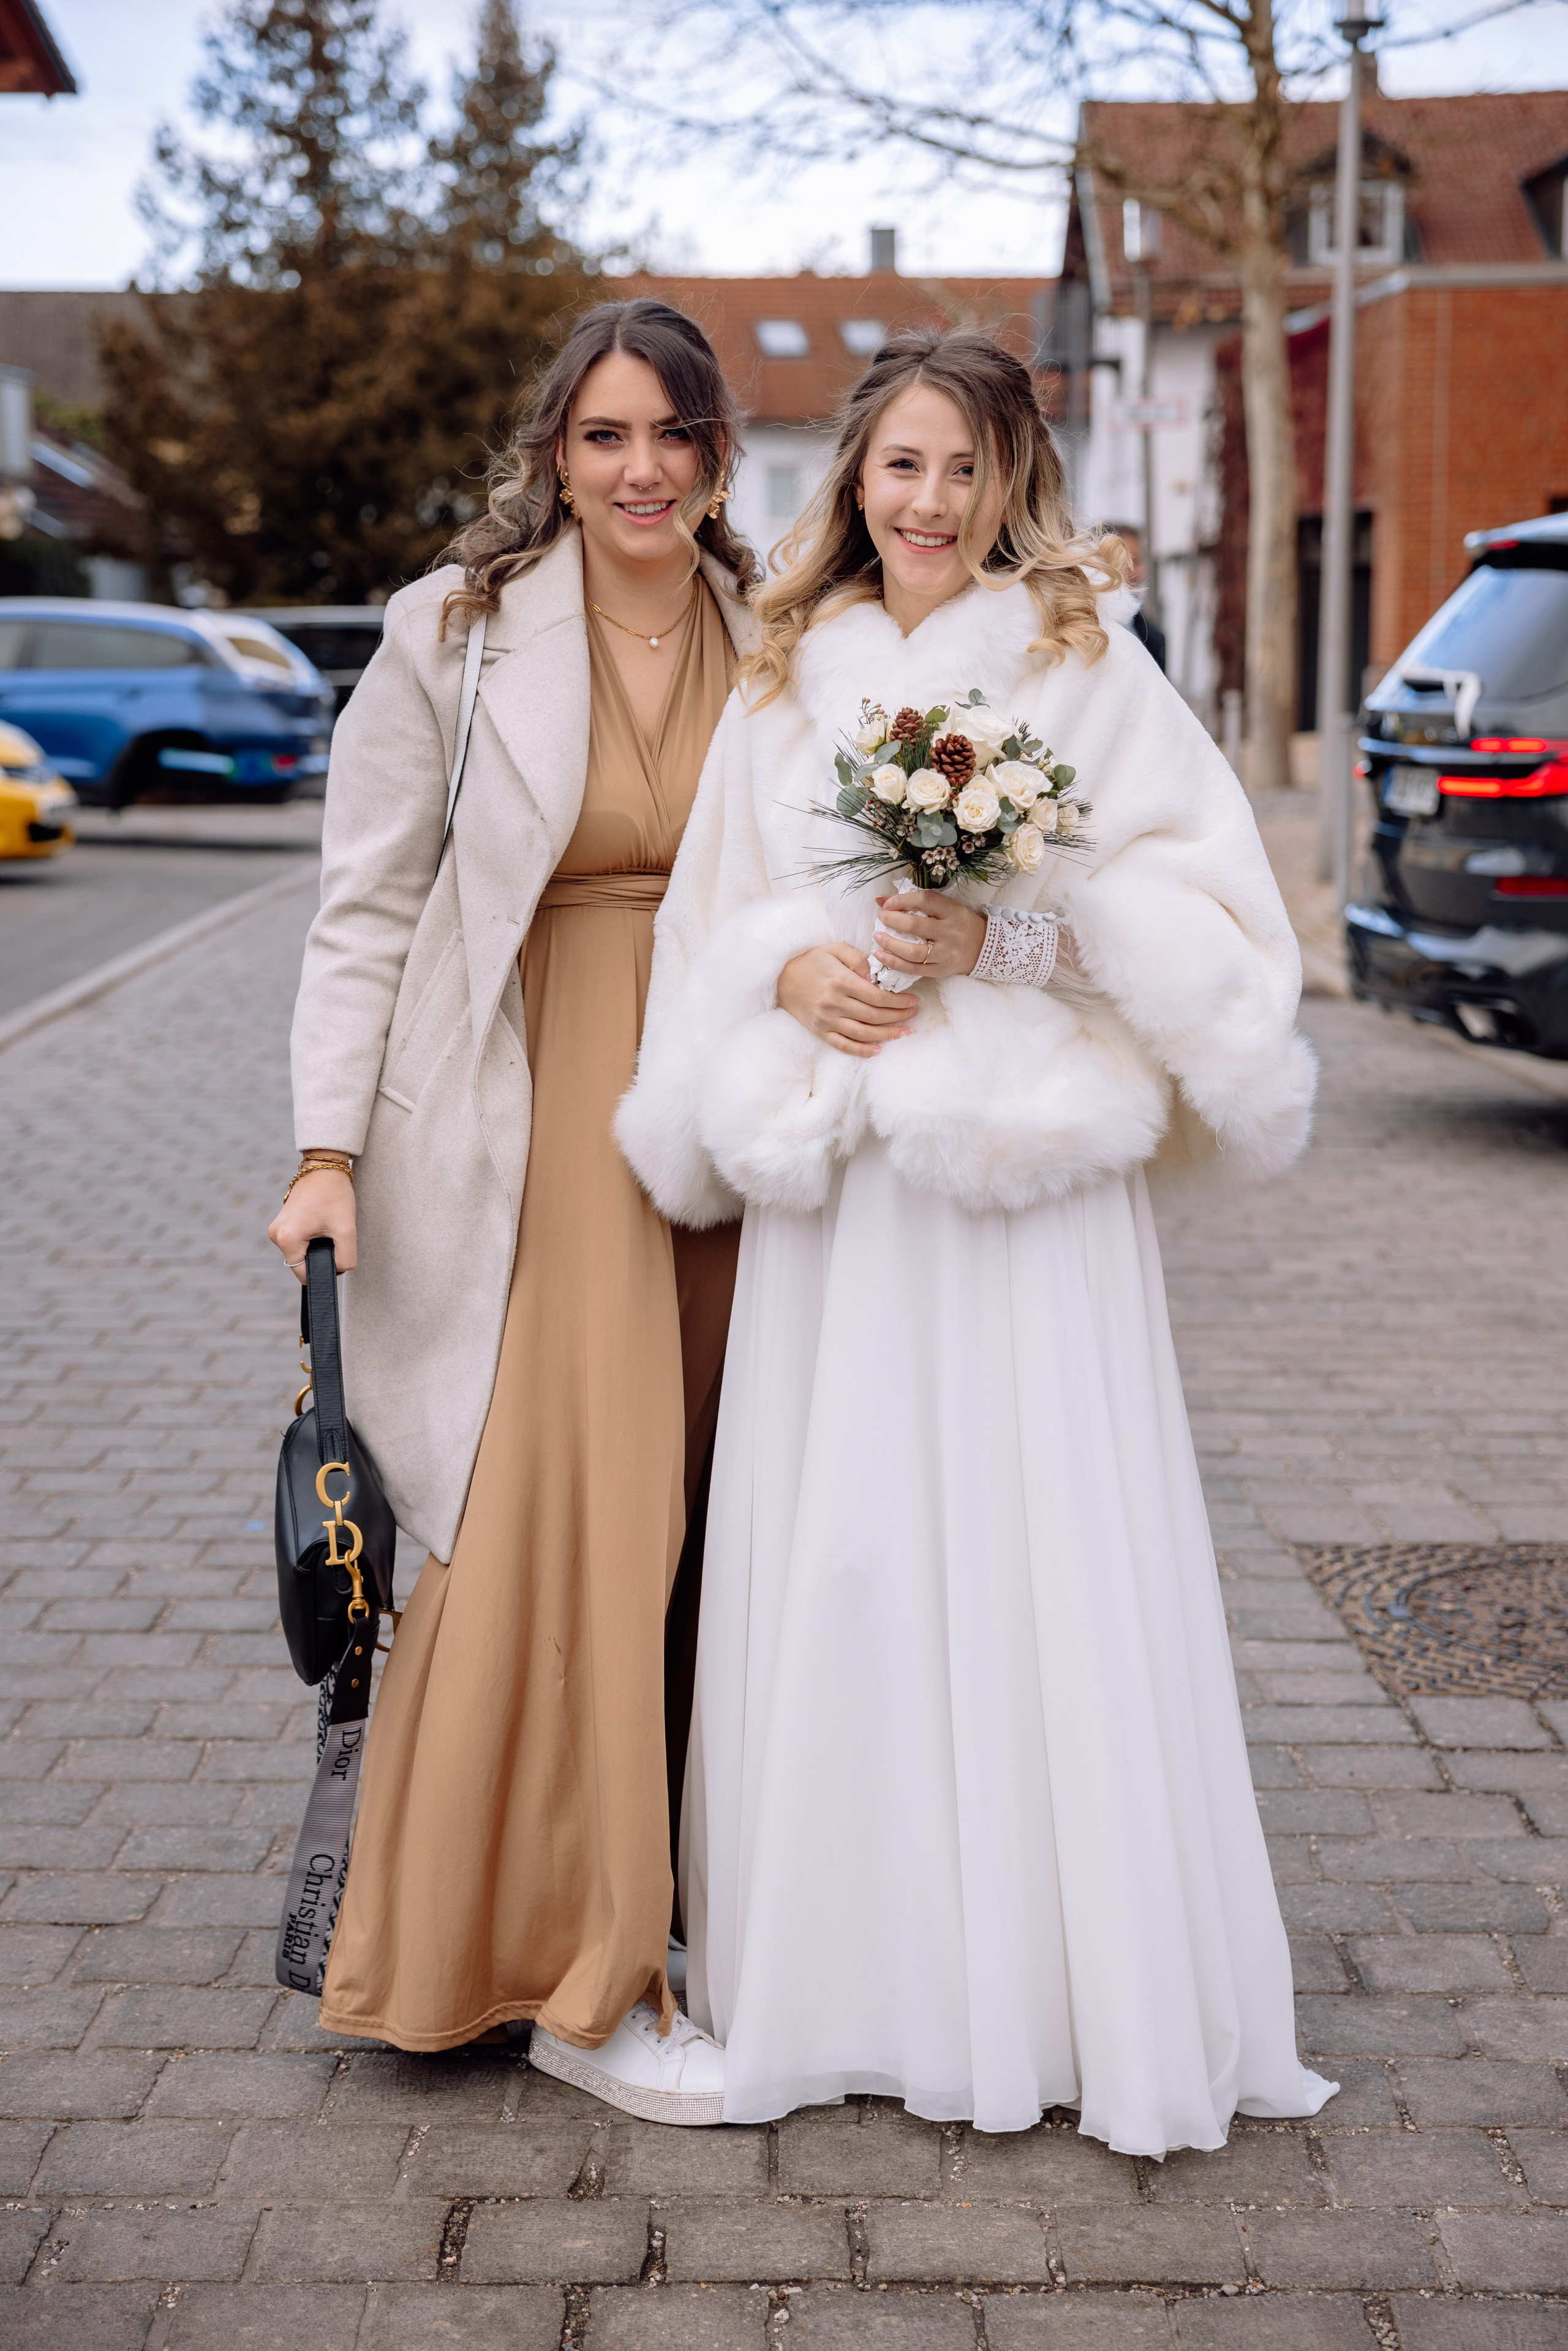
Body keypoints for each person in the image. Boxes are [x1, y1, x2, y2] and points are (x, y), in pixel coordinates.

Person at [618, 329, 1338, 2153]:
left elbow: (1219, 932)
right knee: (846, 1548)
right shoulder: (785, 672)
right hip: (842, 1184)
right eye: (896, 467)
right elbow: (704, 917)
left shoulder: (1087, 663)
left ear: (1011, 480)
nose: (925, 502)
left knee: (1035, 1548)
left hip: (1024, 1191)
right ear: (850, 480)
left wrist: (1005, 940)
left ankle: (1051, 1984)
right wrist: (786, 968)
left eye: (960, 469)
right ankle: (847, 1974)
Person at [268, 299, 758, 2124]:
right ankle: (576, 1969)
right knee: (574, 1514)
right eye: (605, 435)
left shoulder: (765, 626)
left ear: (717, 453)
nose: (642, 470)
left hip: (735, 1110)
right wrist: (326, 1145)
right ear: (553, 450)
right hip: (535, 1110)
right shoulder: (452, 636)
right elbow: (366, 908)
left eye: (676, 435)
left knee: (727, 1513)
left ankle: (709, 1906)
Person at [1104, 519, 1167, 671]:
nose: (1141, 572)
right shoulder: (1080, 636)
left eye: (1140, 562)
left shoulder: (1153, 638)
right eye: (1130, 563)